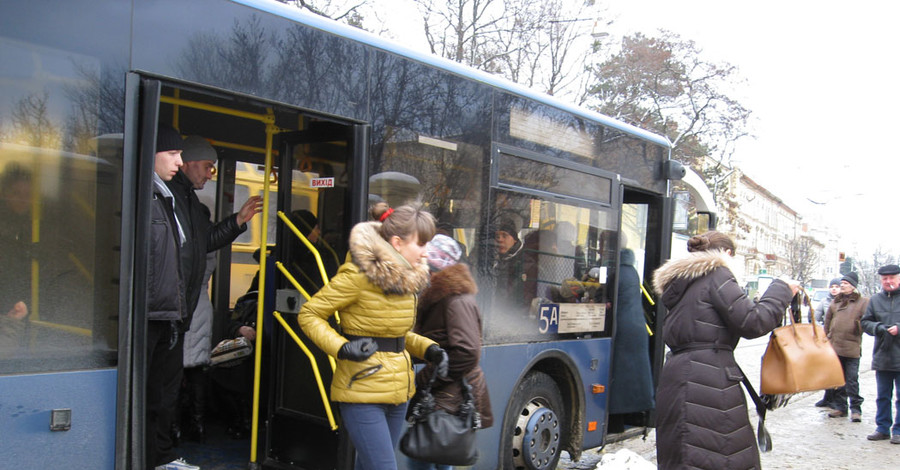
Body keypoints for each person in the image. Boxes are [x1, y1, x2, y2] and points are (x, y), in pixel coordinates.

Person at [297, 205, 449, 470]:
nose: (426, 252)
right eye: (421, 243)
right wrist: (343, 348)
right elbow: (309, 315)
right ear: (397, 243)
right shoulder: (357, 276)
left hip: (398, 392)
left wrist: (430, 350)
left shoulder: (407, 280)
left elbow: (397, 335)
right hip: (361, 392)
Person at [651, 231, 799, 470]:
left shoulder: (683, 282)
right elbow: (753, 322)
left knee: (684, 454)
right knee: (722, 454)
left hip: (679, 376)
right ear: (727, 254)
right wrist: (781, 290)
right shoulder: (717, 273)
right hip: (709, 379)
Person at [171, 135, 262, 443]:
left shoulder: (186, 201)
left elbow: (203, 243)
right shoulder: (176, 199)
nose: (211, 174)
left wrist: (237, 222)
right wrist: (235, 222)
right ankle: (185, 430)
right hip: (184, 304)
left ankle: (179, 431)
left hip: (184, 305)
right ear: (189, 162)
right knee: (191, 369)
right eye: (208, 167)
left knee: (181, 370)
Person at [406, 234, 494, 470]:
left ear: (436, 268)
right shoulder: (444, 296)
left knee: (424, 456)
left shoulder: (455, 300)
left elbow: (467, 352)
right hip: (446, 393)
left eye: (426, 265)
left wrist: (427, 377)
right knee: (434, 456)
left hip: (449, 393)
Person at [146, 124, 199, 470]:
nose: (179, 161)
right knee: (154, 393)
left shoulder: (164, 196)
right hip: (151, 313)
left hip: (167, 313)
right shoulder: (147, 197)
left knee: (163, 393)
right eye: (173, 153)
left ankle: (160, 456)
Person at [607, 245, 655, 432]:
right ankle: (632, 415)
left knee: (617, 378)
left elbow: (609, 299)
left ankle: (615, 423)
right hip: (636, 327)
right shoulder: (633, 272)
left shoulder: (616, 273)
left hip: (621, 327)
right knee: (632, 377)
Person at [860, 264, 900, 444]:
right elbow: (865, 322)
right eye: (885, 279)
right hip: (883, 354)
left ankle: (898, 430)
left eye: (892, 278)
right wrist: (879, 328)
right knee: (883, 396)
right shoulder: (875, 300)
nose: (888, 281)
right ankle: (882, 428)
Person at [823, 272, 868, 421]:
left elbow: (867, 321)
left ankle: (856, 409)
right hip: (835, 347)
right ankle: (840, 407)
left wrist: (858, 326)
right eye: (841, 283)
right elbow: (827, 320)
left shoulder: (862, 302)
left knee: (852, 380)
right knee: (838, 380)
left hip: (852, 348)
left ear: (853, 286)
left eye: (846, 283)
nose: (842, 286)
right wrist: (826, 337)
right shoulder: (835, 302)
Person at [0, 163, 33, 355]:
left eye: (28, 194)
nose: (23, 199)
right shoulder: (6, 229)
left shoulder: (34, 227)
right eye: (16, 192)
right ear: (4, 193)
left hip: (19, 315)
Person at [814, 277, 842, 408]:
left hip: (840, 341)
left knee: (840, 370)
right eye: (832, 287)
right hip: (827, 340)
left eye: (837, 286)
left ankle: (839, 400)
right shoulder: (824, 302)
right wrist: (822, 330)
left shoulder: (844, 302)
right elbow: (816, 318)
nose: (834, 289)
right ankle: (827, 397)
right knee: (827, 370)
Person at [492, 217, 526, 311]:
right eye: (497, 236)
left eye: (504, 236)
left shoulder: (524, 263)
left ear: (514, 239)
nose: (500, 240)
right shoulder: (491, 259)